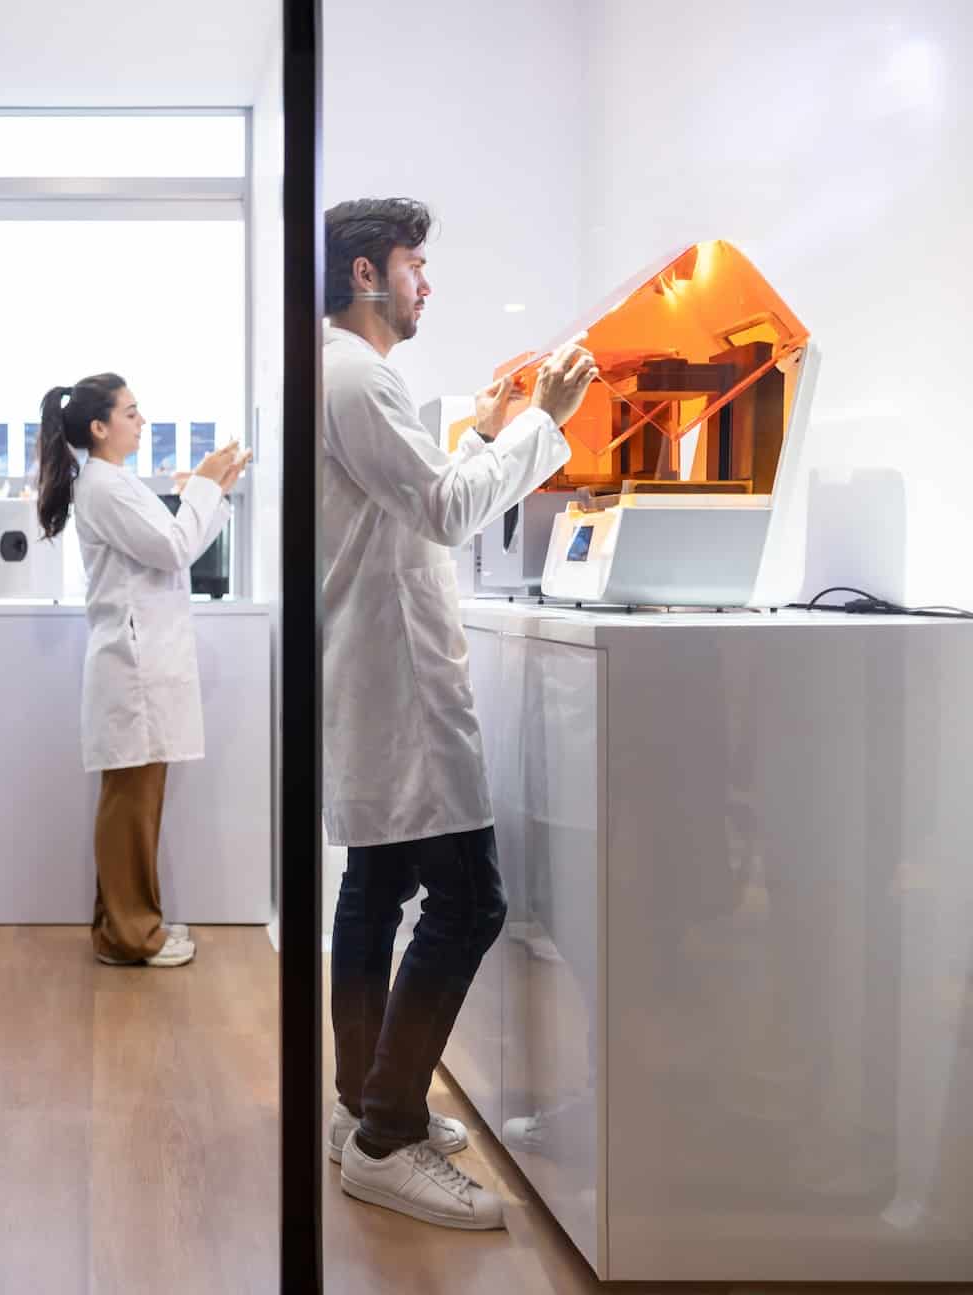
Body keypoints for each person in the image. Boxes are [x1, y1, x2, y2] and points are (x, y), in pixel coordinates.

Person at [319, 198, 597, 1229]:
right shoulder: (356, 372)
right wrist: (544, 421)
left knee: (378, 883)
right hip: (396, 674)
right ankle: (388, 1132)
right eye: (415, 265)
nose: (425, 284)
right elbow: (440, 507)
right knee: (471, 900)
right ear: (364, 274)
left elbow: (407, 485)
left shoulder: (338, 375)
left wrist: (479, 432)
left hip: (373, 665)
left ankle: (363, 1104)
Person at [36, 374, 249, 968]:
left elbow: (176, 545)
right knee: (130, 805)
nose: (142, 421)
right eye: (131, 413)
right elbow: (175, 548)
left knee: (135, 802)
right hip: (133, 667)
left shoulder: (112, 484)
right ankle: (133, 934)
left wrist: (215, 491)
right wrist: (205, 484)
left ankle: (125, 927)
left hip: (139, 661)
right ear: (99, 427)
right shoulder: (105, 488)